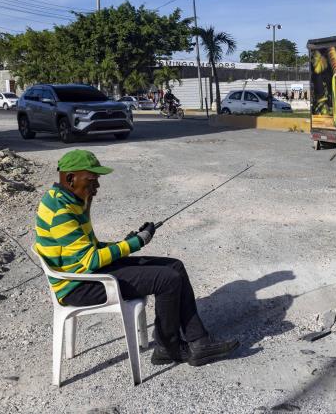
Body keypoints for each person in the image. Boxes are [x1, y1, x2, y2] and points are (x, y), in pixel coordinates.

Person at [33, 150, 239, 366]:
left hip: (82, 272)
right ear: (70, 178)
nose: (97, 186)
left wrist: (124, 242)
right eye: (92, 180)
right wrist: (136, 242)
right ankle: (168, 348)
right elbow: (91, 260)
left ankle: (199, 341)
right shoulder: (61, 212)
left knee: (175, 267)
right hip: (78, 285)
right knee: (167, 280)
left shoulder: (68, 199)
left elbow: (87, 248)